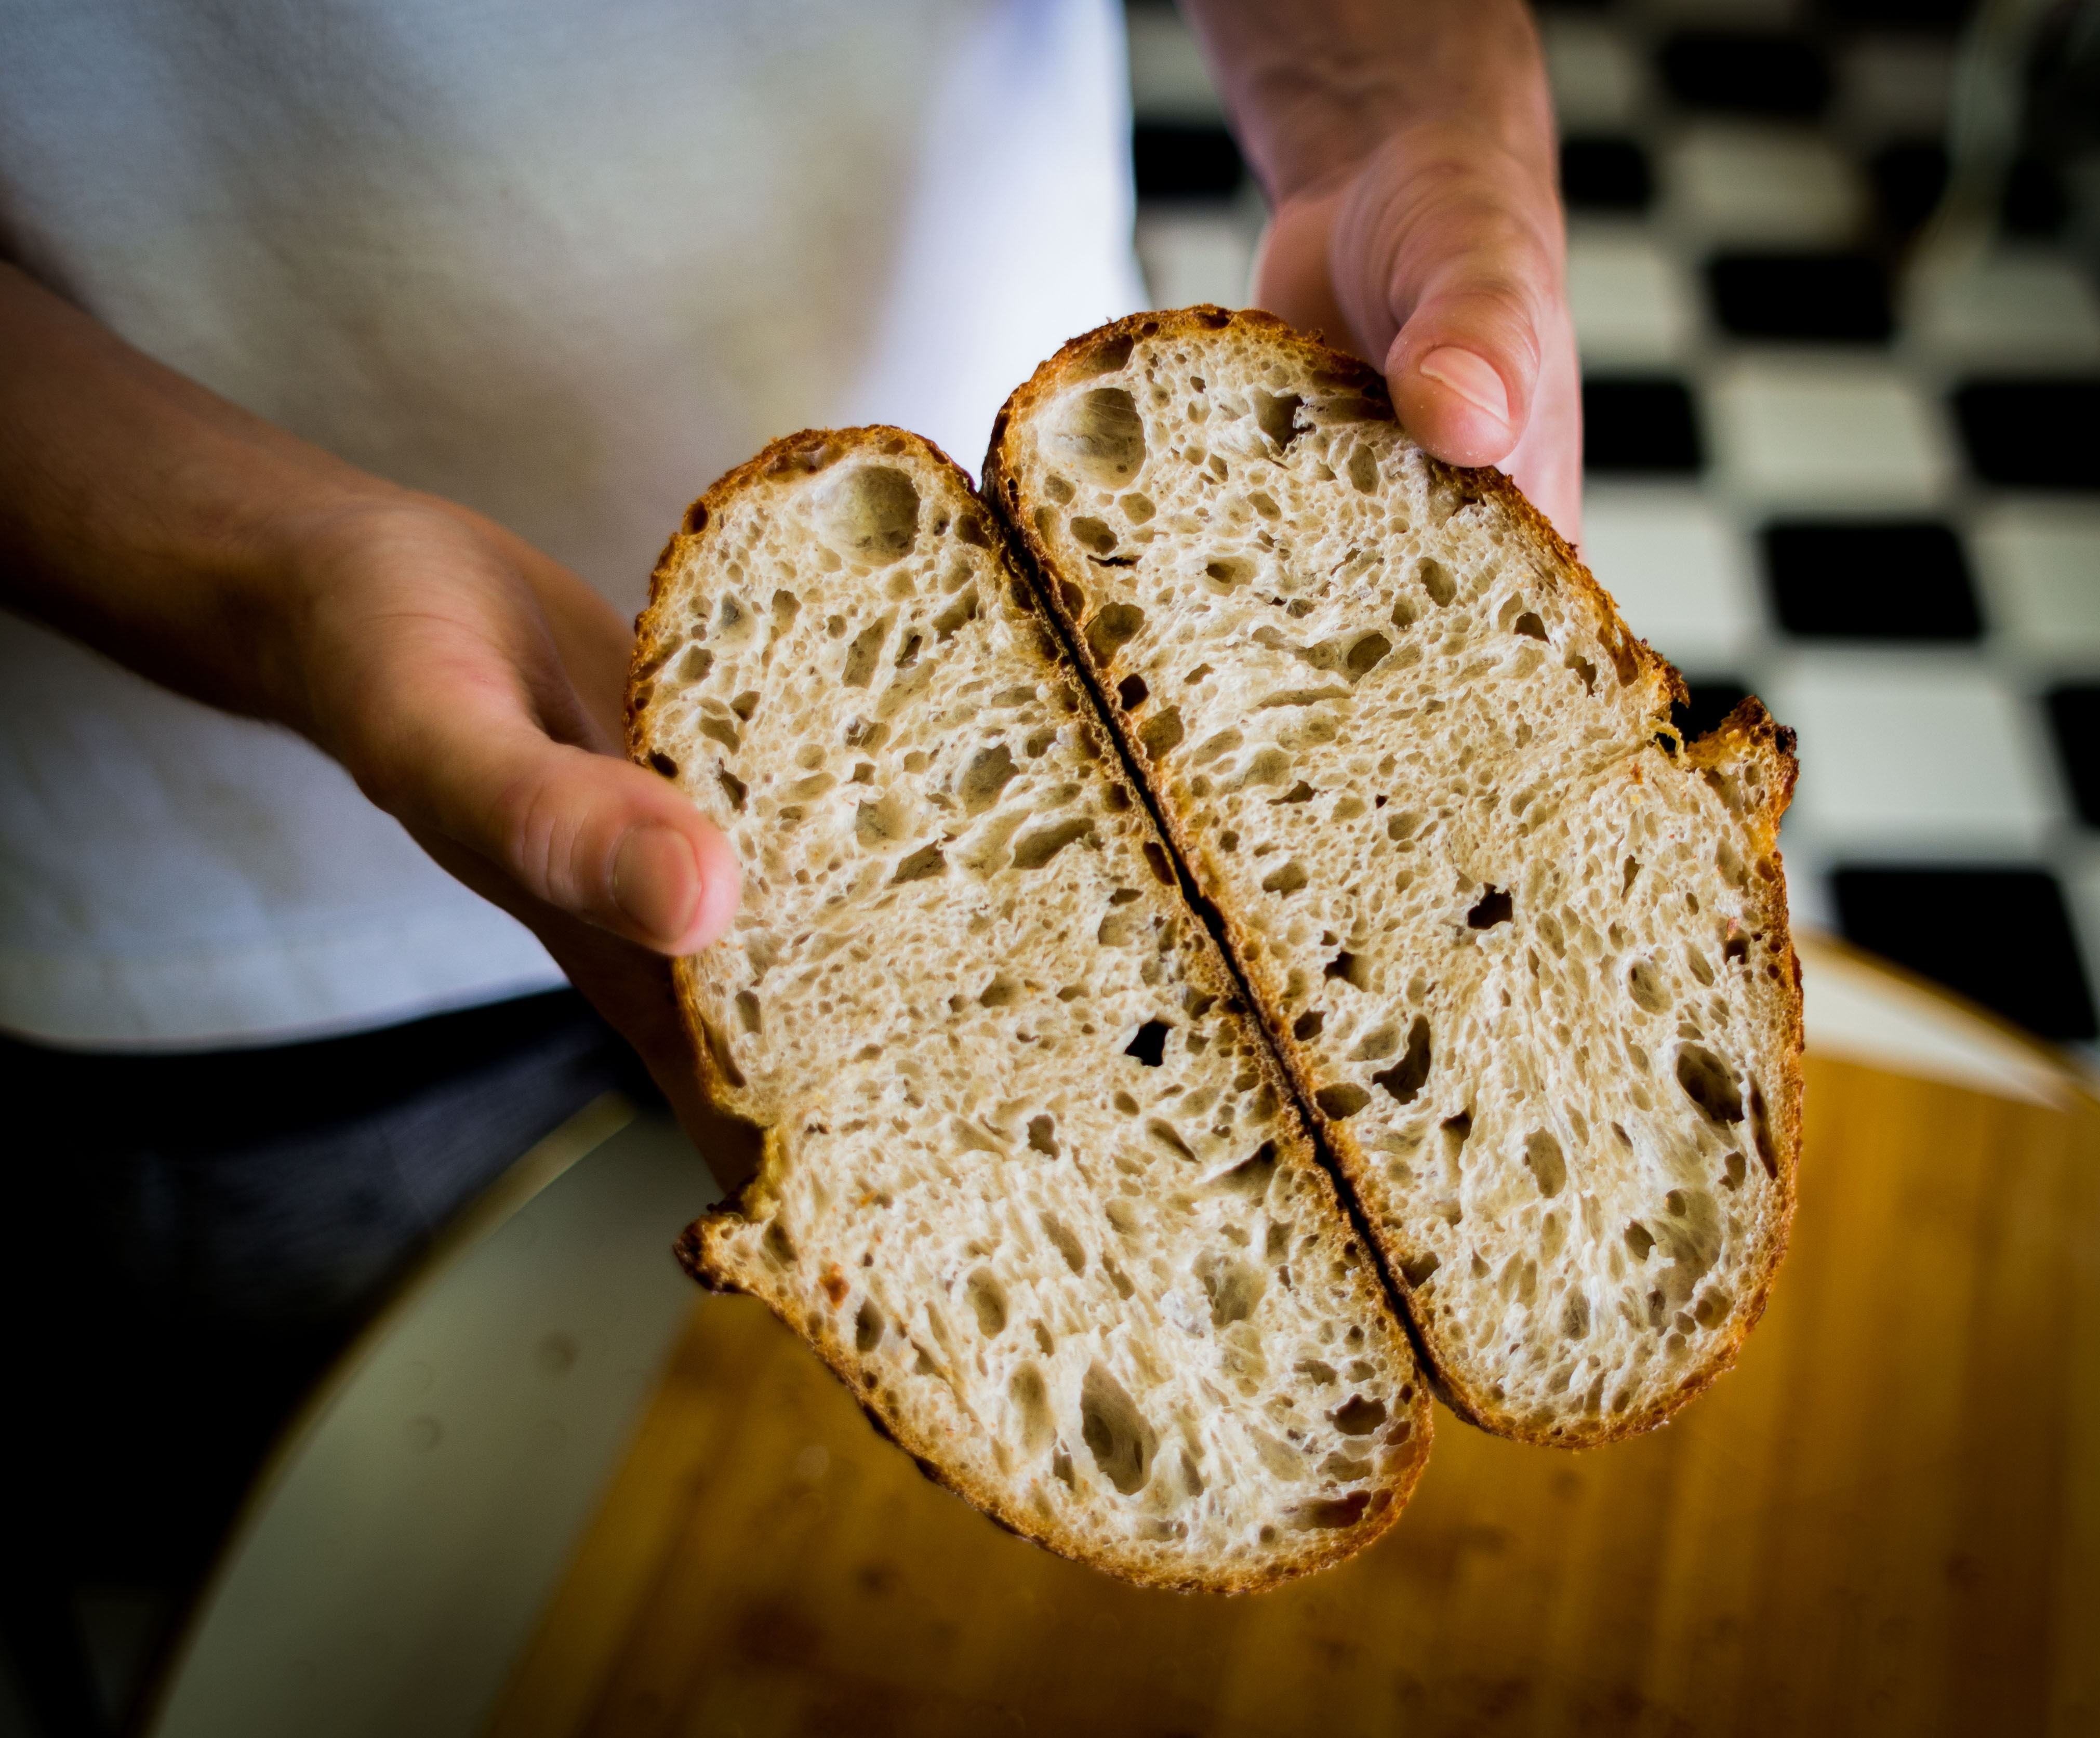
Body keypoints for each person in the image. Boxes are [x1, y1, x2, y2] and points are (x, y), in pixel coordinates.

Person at [0, 0, 1576, 1725]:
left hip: (1103, 633)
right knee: (381, 1624)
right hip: (238, 915)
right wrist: (281, 579)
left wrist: (1388, 107)